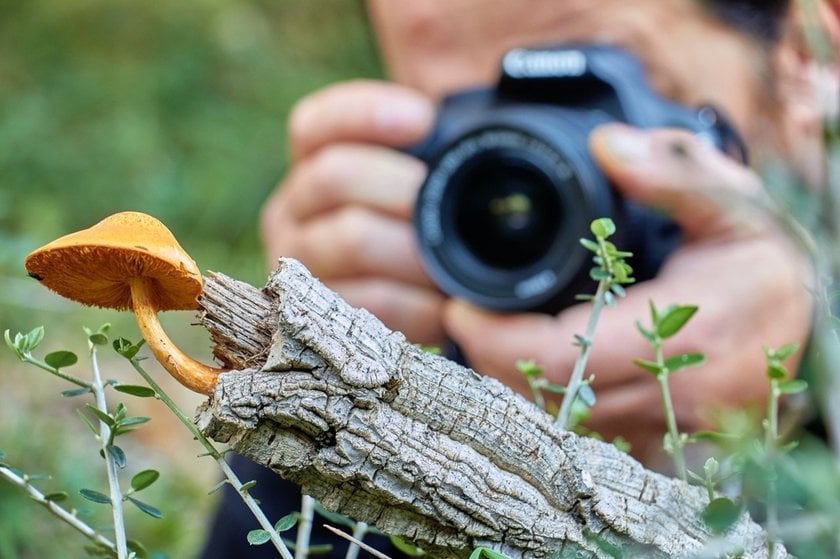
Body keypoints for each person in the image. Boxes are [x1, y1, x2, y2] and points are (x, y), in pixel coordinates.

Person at [200, 1, 836, 557]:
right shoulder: (412, 342)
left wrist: (815, 343)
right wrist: (323, 375)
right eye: (470, 113)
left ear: (810, 54)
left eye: (591, 94)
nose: (521, 154)